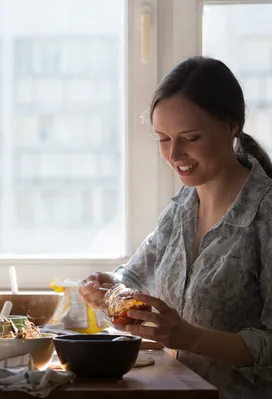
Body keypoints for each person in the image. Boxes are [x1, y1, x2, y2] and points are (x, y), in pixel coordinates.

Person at [79, 56, 272, 399]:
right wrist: (110, 290)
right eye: (163, 138)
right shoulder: (183, 206)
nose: (174, 154)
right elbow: (133, 276)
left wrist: (188, 336)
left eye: (190, 137)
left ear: (232, 126)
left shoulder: (266, 216)